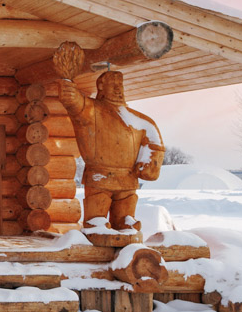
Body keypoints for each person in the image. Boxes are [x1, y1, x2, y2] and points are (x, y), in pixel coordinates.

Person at [58, 70, 164, 231]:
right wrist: (69, 90)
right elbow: (75, 102)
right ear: (101, 87)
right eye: (113, 85)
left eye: (120, 85)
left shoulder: (138, 120)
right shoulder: (92, 110)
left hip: (128, 181)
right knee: (97, 215)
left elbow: (154, 140)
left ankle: (125, 223)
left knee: (126, 216)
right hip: (100, 178)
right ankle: (96, 225)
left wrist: (150, 163)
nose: (117, 89)